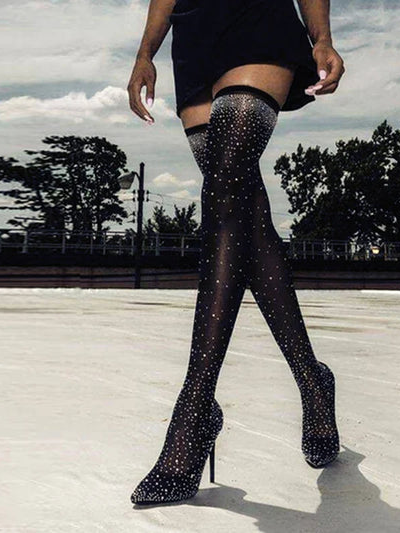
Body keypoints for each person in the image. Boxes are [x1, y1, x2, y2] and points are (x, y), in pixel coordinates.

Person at [127, 0, 345, 505]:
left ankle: (194, 410)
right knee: (243, 211)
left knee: (227, 187)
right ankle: (312, 380)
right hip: (194, 34)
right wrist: (145, 53)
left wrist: (321, 38)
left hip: (258, 18)